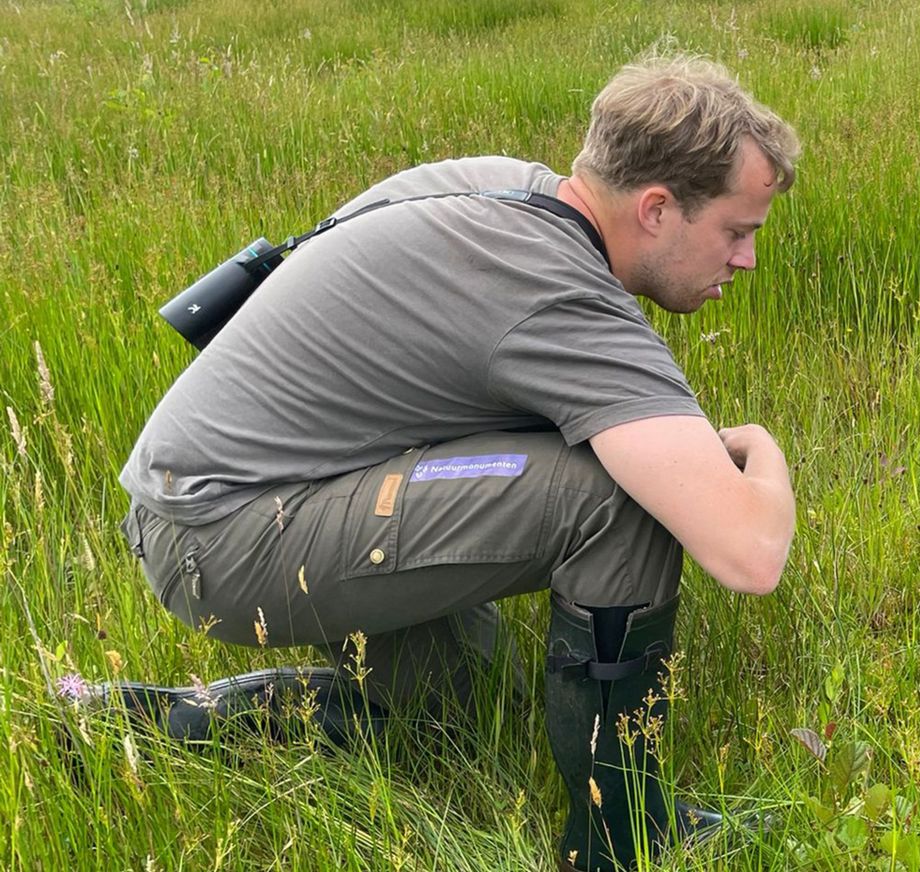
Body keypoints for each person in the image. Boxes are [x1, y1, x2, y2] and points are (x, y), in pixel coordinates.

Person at [92, 54, 799, 872]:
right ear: (655, 208)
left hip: (203, 499)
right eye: (736, 232)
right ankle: (620, 835)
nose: (745, 261)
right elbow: (750, 554)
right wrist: (760, 448)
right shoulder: (557, 293)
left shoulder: (501, 186)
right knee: (618, 500)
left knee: (445, 711)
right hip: (228, 534)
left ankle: (158, 724)